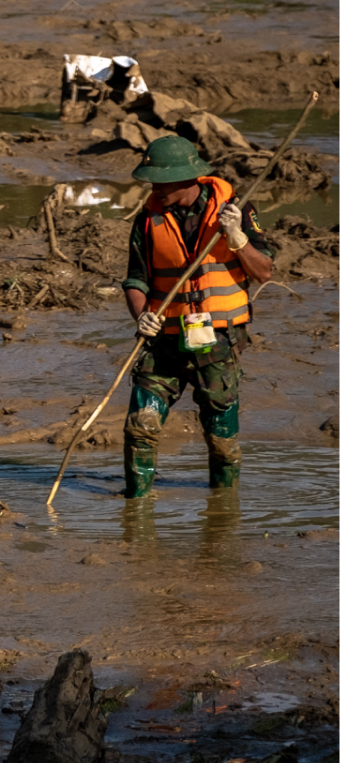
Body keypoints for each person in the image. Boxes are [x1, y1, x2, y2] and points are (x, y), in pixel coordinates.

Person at [120, 136, 272, 496]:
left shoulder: (235, 210)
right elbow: (135, 279)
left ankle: (223, 508)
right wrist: (141, 316)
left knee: (221, 439)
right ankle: (136, 505)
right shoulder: (146, 219)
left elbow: (264, 271)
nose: (155, 189)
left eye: (162, 182)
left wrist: (237, 236)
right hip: (163, 340)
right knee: (140, 426)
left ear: (187, 178)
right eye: (152, 182)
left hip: (217, 342)